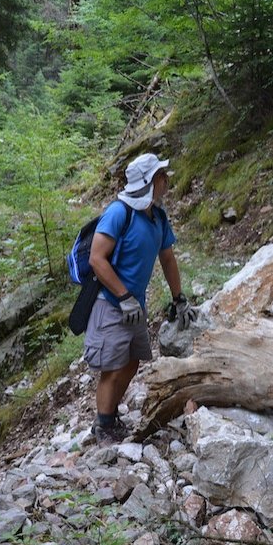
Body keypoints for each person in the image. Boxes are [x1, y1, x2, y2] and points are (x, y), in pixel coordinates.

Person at [84, 152, 195, 443]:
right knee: (112, 368)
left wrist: (178, 297)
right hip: (111, 304)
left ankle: (110, 416)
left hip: (134, 306)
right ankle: (104, 425)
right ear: (148, 182)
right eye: (161, 176)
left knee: (131, 363)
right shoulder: (119, 213)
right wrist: (123, 296)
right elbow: (97, 259)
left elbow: (168, 258)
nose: (166, 181)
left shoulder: (157, 215)